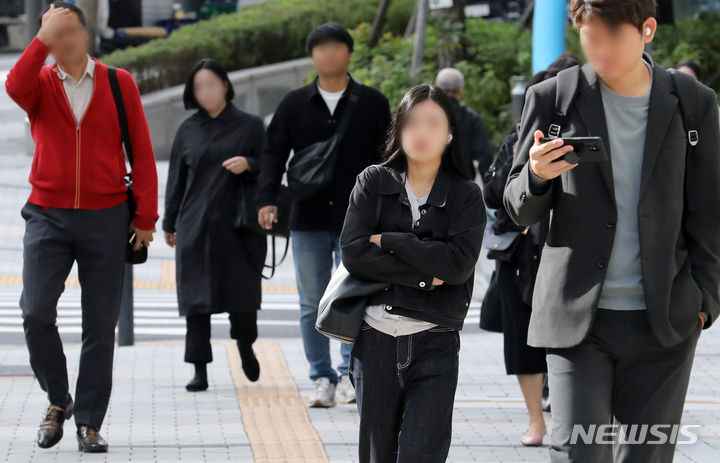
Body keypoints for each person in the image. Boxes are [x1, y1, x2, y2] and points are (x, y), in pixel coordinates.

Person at [503, 0, 720, 461]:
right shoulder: (553, 98)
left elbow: (708, 211)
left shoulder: (693, 103)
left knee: (647, 456)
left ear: (646, 31)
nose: (599, 50)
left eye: (611, 37)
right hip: (577, 318)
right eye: (589, 36)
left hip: (665, 321)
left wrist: (705, 301)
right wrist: (537, 176)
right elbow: (516, 210)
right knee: (581, 452)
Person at [5, 2, 158, 453]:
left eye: (68, 30)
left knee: (99, 324)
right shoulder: (38, 83)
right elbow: (13, 86)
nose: (62, 39)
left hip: (107, 216)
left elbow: (143, 152)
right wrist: (39, 41)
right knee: (35, 312)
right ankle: (58, 400)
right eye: (53, 32)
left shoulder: (118, 82)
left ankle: (89, 421)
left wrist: (145, 216)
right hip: (46, 213)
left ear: (85, 34)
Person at [340, 84, 486, 462]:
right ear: (398, 130)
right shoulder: (373, 181)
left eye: (433, 123)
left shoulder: (466, 194)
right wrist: (425, 274)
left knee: (423, 454)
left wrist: (391, 240)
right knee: (378, 454)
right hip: (375, 338)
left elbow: (457, 265)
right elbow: (354, 253)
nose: (421, 133)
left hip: (435, 340)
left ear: (450, 134)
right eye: (412, 123)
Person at [256, 22, 391, 407]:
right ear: (312, 56)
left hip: (360, 221)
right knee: (311, 301)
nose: (329, 54)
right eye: (321, 48)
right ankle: (321, 378)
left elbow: (387, 160)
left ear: (349, 54)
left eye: (337, 47)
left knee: (355, 298)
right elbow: (272, 153)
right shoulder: (294, 104)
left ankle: (351, 374)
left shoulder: (373, 103)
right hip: (308, 219)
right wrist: (267, 199)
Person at [483, 54, 581, 448]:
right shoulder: (521, 136)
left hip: (569, 253)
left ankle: (567, 415)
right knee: (522, 341)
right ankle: (536, 420)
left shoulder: (595, 138)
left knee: (570, 342)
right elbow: (494, 193)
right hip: (520, 254)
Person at [163, 58, 267, 391]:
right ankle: (199, 370)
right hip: (196, 226)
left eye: (211, 84)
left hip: (238, 227)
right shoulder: (187, 129)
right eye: (198, 87)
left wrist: (249, 163)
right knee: (196, 301)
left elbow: (270, 166)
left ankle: (246, 347)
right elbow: (176, 179)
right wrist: (169, 220)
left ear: (225, 85)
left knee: (242, 298)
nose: (205, 92)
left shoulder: (250, 125)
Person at [435, 67, 494, 177]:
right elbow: (484, 155)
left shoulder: (428, 116)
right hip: (463, 181)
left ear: (437, 88)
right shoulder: (470, 117)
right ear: (460, 89)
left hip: (430, 181)